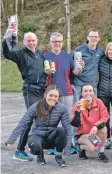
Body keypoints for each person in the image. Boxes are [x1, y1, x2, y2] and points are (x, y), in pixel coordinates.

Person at [2, 31, 46, 161]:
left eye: (33, 40)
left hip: (41, 90)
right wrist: (6, 40)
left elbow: (43, 71)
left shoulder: (39, 54)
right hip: (30, 90)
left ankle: (38, 145)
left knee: (41, 118)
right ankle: (20, 151)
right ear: (24, 42)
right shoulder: (21, 53)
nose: (31, 43)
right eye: (28, 41)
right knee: (30, 117)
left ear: (37, 41)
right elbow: (7, 53)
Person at [5, 85, 70, 167]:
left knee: (61, 130)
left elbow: (67, 127)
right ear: (45, 95)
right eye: (51, 95)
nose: (53, 98)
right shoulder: (36, 106)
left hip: (51, 138)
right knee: (36, 147)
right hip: (37, 136)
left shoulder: (62, 108)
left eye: (55, 96)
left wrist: (67, 148)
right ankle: (40, 154)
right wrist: (11, 140)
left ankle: (58, 156)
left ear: (58, 98)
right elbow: (23, 123)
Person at [43, 32, 77, 155]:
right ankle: (52, 145)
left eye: (59, 41)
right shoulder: (45, 56)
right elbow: (42, 75)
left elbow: (75, 73)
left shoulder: (68, 57)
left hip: (67, 92)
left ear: (62, 42)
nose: (57, 43)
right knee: (51, 121)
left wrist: (80, 68)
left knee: (67, 120)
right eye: (54, 41)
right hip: (51, 94)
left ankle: (70, 144)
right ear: (50, 43)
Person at [71, 83, 109, 163]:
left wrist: (96, 126)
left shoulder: (98, 102)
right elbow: (75, 124)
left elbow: (106, 117)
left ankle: (101, 152)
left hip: (94, 132)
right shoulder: (77, 105)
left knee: (104, 129)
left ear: (93, 92)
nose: (88, 93)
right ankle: (80, 148)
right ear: (81, 93)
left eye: (90, 91)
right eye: (85, 91)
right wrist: (78, 111)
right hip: (83, 134)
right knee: (93, 148)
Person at [72, 28, 105, 102]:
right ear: (87, 37)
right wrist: (71, 82)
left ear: (99, 38)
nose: (94, 38)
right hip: (79, 85)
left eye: (96, 37)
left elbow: (106, 64)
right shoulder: (79, 50)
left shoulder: (101, 51)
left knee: (93, 110)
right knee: (78, 109)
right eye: (91, 36)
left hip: (92, 86)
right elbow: (71, 67)